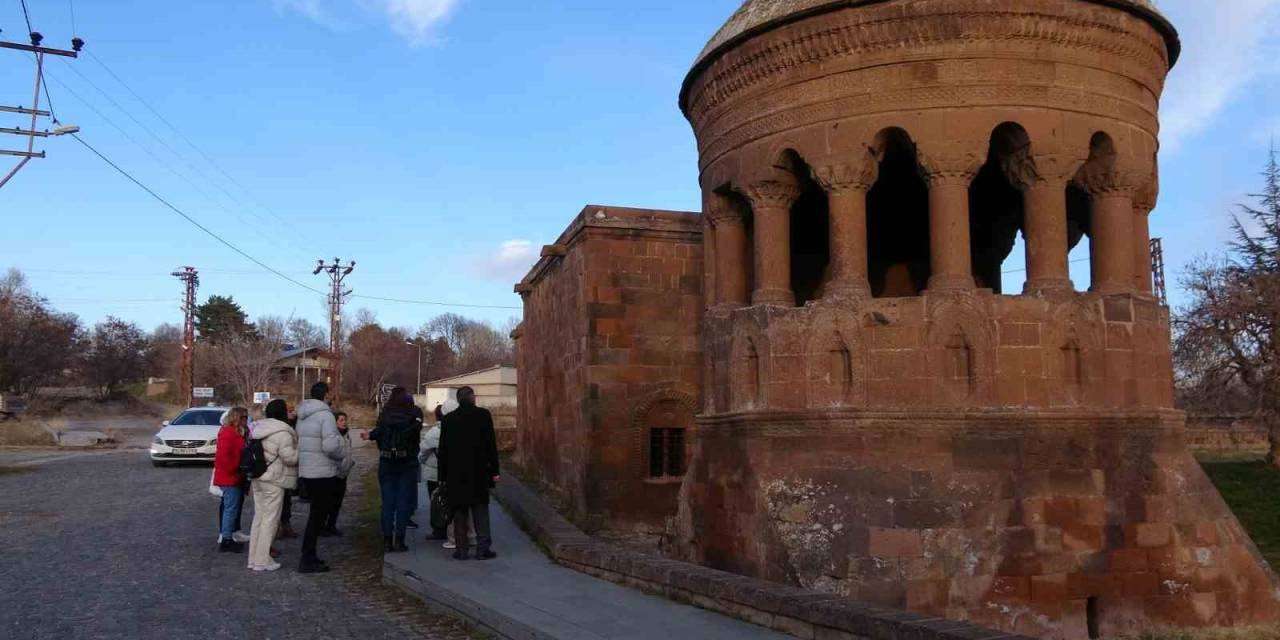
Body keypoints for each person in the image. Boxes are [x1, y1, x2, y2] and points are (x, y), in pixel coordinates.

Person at [438, 386, 500, 560]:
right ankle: (482, 548)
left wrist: (442, 476)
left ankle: (461, 549)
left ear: (458, 400)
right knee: (480, 510)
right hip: (479, 471)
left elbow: (443, 450)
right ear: (473, 398)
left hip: (455, 473)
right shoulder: (483, 415)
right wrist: (495, 469)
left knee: (459, 511)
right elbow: (491, 445)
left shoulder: (449, 419)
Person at [296, 382, 344, 574]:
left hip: (306, 470)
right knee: (317, 517)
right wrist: (342, 452)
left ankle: (309, 555)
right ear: (325, 395)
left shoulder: (302, 415)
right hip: (323, 471)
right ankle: (307, 558)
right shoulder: (326, 415)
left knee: (314, 516)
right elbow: (330, 446)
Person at [366, 387, 422, 553]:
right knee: (403, 502)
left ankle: (387, 540)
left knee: (388, 502)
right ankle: (400, 540)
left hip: (386, 461)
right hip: (407, 462)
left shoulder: (384, 414)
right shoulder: (414, 415)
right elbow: (415, 438)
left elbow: (378, 434)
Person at [247, 399, 299, 572]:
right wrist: (301, 451)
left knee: (258, 518)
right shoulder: (283, 432)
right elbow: (289, 458)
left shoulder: (257, 428)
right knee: (270, 520)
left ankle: (253, 558)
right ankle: (263, 560)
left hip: (257, 476)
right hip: (274, 479)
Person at [213, 407, 249, 553]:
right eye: (244, 417)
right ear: (237, 417)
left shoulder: (234, 432)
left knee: (231, 507)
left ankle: (228, 537)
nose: (247, 420)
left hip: (232, 475)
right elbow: (222, 457)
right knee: (230, 508)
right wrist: (235, 468)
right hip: (230, 476)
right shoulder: (228, 432)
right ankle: (226, 539)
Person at [323, 411, 356, 537]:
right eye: (341, 420)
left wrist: (351, 462)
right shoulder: (332, 435)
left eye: (345, 420)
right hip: (333, 473)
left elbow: (348, 451)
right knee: (328, 502)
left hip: (344, 473)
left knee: (337, 503)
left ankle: (331, 525)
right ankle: (323, 526)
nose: (344, 422)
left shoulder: (347, 435)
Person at [419, 405, 447, 542]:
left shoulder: (432, 432)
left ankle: (438, 530)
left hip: (433, 473)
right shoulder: (456, 430)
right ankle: (451, 528)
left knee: (435, 502)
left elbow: (423, 452)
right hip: (450, 473)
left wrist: (422, 462)